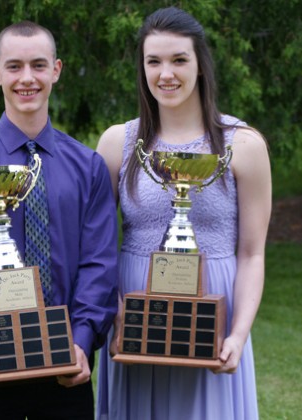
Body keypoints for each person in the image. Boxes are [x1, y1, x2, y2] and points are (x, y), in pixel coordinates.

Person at [0, 20, 118, 419]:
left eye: (38, 65)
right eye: (14, 66)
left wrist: (81, 341)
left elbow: (98, 265)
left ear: (56, 70)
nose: (26, 78)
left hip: (66, 368)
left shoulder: (88, 167)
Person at [96, 7, 271, 420]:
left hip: (215, 311)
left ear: (200, 64)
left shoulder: (243, 145)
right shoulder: (117, 143)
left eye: (178, 60)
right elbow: (98, 246)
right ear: (141, 68)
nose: (166, 73)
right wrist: (116, 312)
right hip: (136, 315)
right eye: (153, 61)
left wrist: (239, 334)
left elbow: (252, 254)